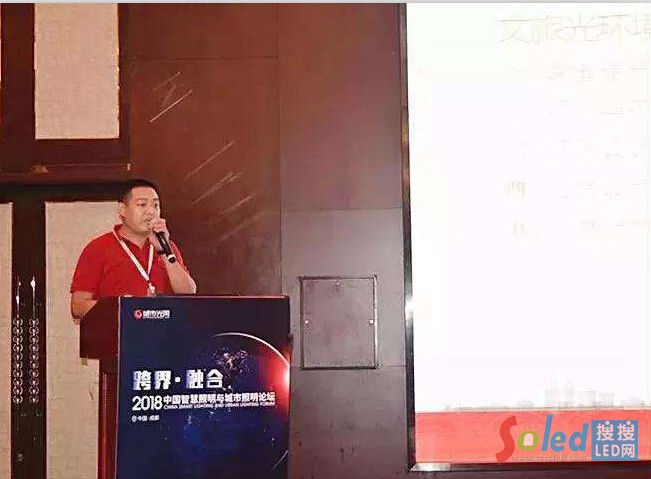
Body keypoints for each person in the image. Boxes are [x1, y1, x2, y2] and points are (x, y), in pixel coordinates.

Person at [70, 179, 197, 321]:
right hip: (120, 332)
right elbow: (78, 306)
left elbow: (189, 293)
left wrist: (163, 252)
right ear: (122, 210)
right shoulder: (98, 248)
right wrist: (126, 309)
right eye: (142, 204)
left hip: (164, 331)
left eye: (155, 205)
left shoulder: (168, 247)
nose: (151, 211)